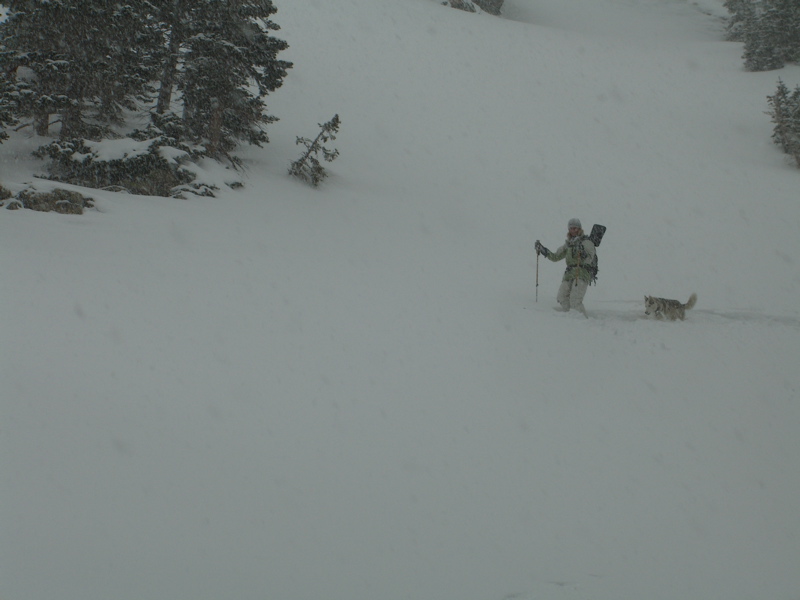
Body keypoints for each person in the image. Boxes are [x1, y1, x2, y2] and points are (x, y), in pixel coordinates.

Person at [535, 218, 596, 316]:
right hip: (569, 274)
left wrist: (583, 253)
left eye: (575, 228)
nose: (573, 230)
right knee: (562, 297)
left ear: (580, 229)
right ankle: (570, 319)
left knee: (575, 300)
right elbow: (555, 257)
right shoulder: (568, 244)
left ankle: (582, 323)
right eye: (571, 228)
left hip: (581, 273)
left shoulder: (586, 242)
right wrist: (543, 250)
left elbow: (590, 258)